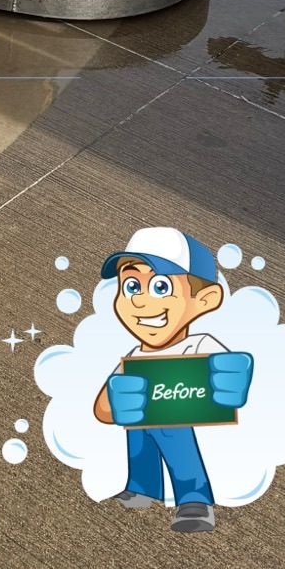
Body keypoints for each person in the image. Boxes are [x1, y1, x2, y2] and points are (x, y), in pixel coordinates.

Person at [92, 226, 253, 535]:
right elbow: (102, 410)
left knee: (171, 428)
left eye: (161, 287)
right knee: (138, 428)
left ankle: (194, 498)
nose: (140, 302)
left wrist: (231, 379)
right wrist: (116, 402)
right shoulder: (135, 357)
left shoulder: (198, 346)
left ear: (205, 299)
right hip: (142, 419)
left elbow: (227, 377)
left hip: (175, 419)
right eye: (131, 287)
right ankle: (142, 486)